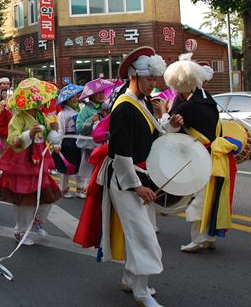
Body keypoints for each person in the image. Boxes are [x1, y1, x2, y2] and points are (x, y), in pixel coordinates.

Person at [76, 46, 167, 307]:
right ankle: (141, 292)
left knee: (143, 231)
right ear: (134, 77)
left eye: (154, 79)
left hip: (140, 176)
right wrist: (137, 186)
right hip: (127, 180)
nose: (153, 83)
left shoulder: (142, 102)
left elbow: (149, 137)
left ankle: (131, 279)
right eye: (149, 79)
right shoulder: (124, 107)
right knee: (143, 235)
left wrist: (170, 124)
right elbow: (121, 152)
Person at [162, 56, 237, 253]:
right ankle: (209, 236)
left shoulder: (188, 106)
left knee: (200, 197)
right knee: (210, 195)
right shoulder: (205, 98)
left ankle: (199, 238)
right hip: (210, 153)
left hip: (201, 155)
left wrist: (166, 114)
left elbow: (171, 129)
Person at [0, 78, 62, 246]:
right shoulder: (18, 118)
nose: (43, 101)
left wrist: (53, 130)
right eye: (39, 99)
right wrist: (29, 135)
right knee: (24, 199)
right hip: (23, 162)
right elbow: (13, 141)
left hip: (40, 160)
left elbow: (49, 136)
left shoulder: (41, 116)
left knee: (48, 195)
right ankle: (20, 230)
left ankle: (37, 221)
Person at [54, 84, 84, 198]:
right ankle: (64, 189)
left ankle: (80, 189)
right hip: (67, 142)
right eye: (74, 97)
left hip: (78, 140)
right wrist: (58, 143)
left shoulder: (79, 111)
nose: (76, 99)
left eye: (77, 96)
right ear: (67, 100)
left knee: (79, 165)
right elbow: (60, 129)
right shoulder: (62, 114)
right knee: (66, 166)